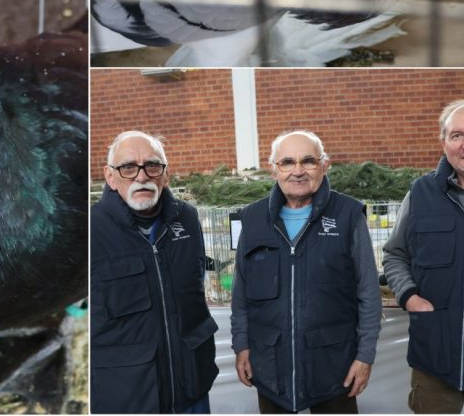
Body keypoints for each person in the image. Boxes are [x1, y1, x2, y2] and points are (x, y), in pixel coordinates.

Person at [232, 130, 381, 414]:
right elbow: (240, 294)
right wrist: (241, 345)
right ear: (273, 168)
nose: (297, 171)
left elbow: (369, 293)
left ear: (325, 165)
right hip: (270, 366)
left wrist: (365, 356)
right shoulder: (252, 218)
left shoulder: (348, 215)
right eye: (287, 162)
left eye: (308, 161)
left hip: (334, 367)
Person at [91, 130, 217, 413]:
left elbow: (195, 286)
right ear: (110, 177)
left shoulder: (187, 218)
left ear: (166, 174)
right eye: (127, 167)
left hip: (191, 391)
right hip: (127, 398)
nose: (141, 176)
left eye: (152, 165)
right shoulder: (89, 231)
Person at [384, 99, 464, 413]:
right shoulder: (420, 194)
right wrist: (410, 297)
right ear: (443, 142)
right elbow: (394, 254)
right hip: (435, 354)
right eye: (457, 135)